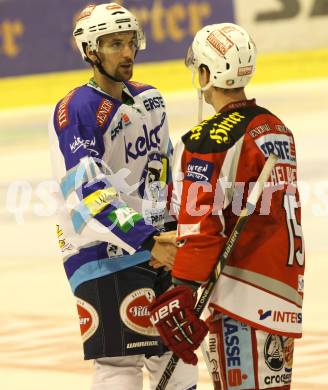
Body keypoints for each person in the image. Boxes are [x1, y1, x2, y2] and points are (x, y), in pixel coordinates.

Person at [48, 3, 197, 389]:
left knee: (176, 354)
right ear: (90, 50)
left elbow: (159, 173)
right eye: (115, 44)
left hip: (154, 247)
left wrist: (168, 233)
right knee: (119, 364)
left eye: (130, 42)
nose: (127, 53)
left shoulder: (151, 100)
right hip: (98, 252)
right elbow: (86, 192)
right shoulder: (76, 109)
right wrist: (148, 238)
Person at [149, 23, 305, 390]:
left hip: (241, 294)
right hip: (282, 288)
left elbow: (204, 225)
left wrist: (182, 288)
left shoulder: (206, 139)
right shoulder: (275, 127)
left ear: (206, 73)